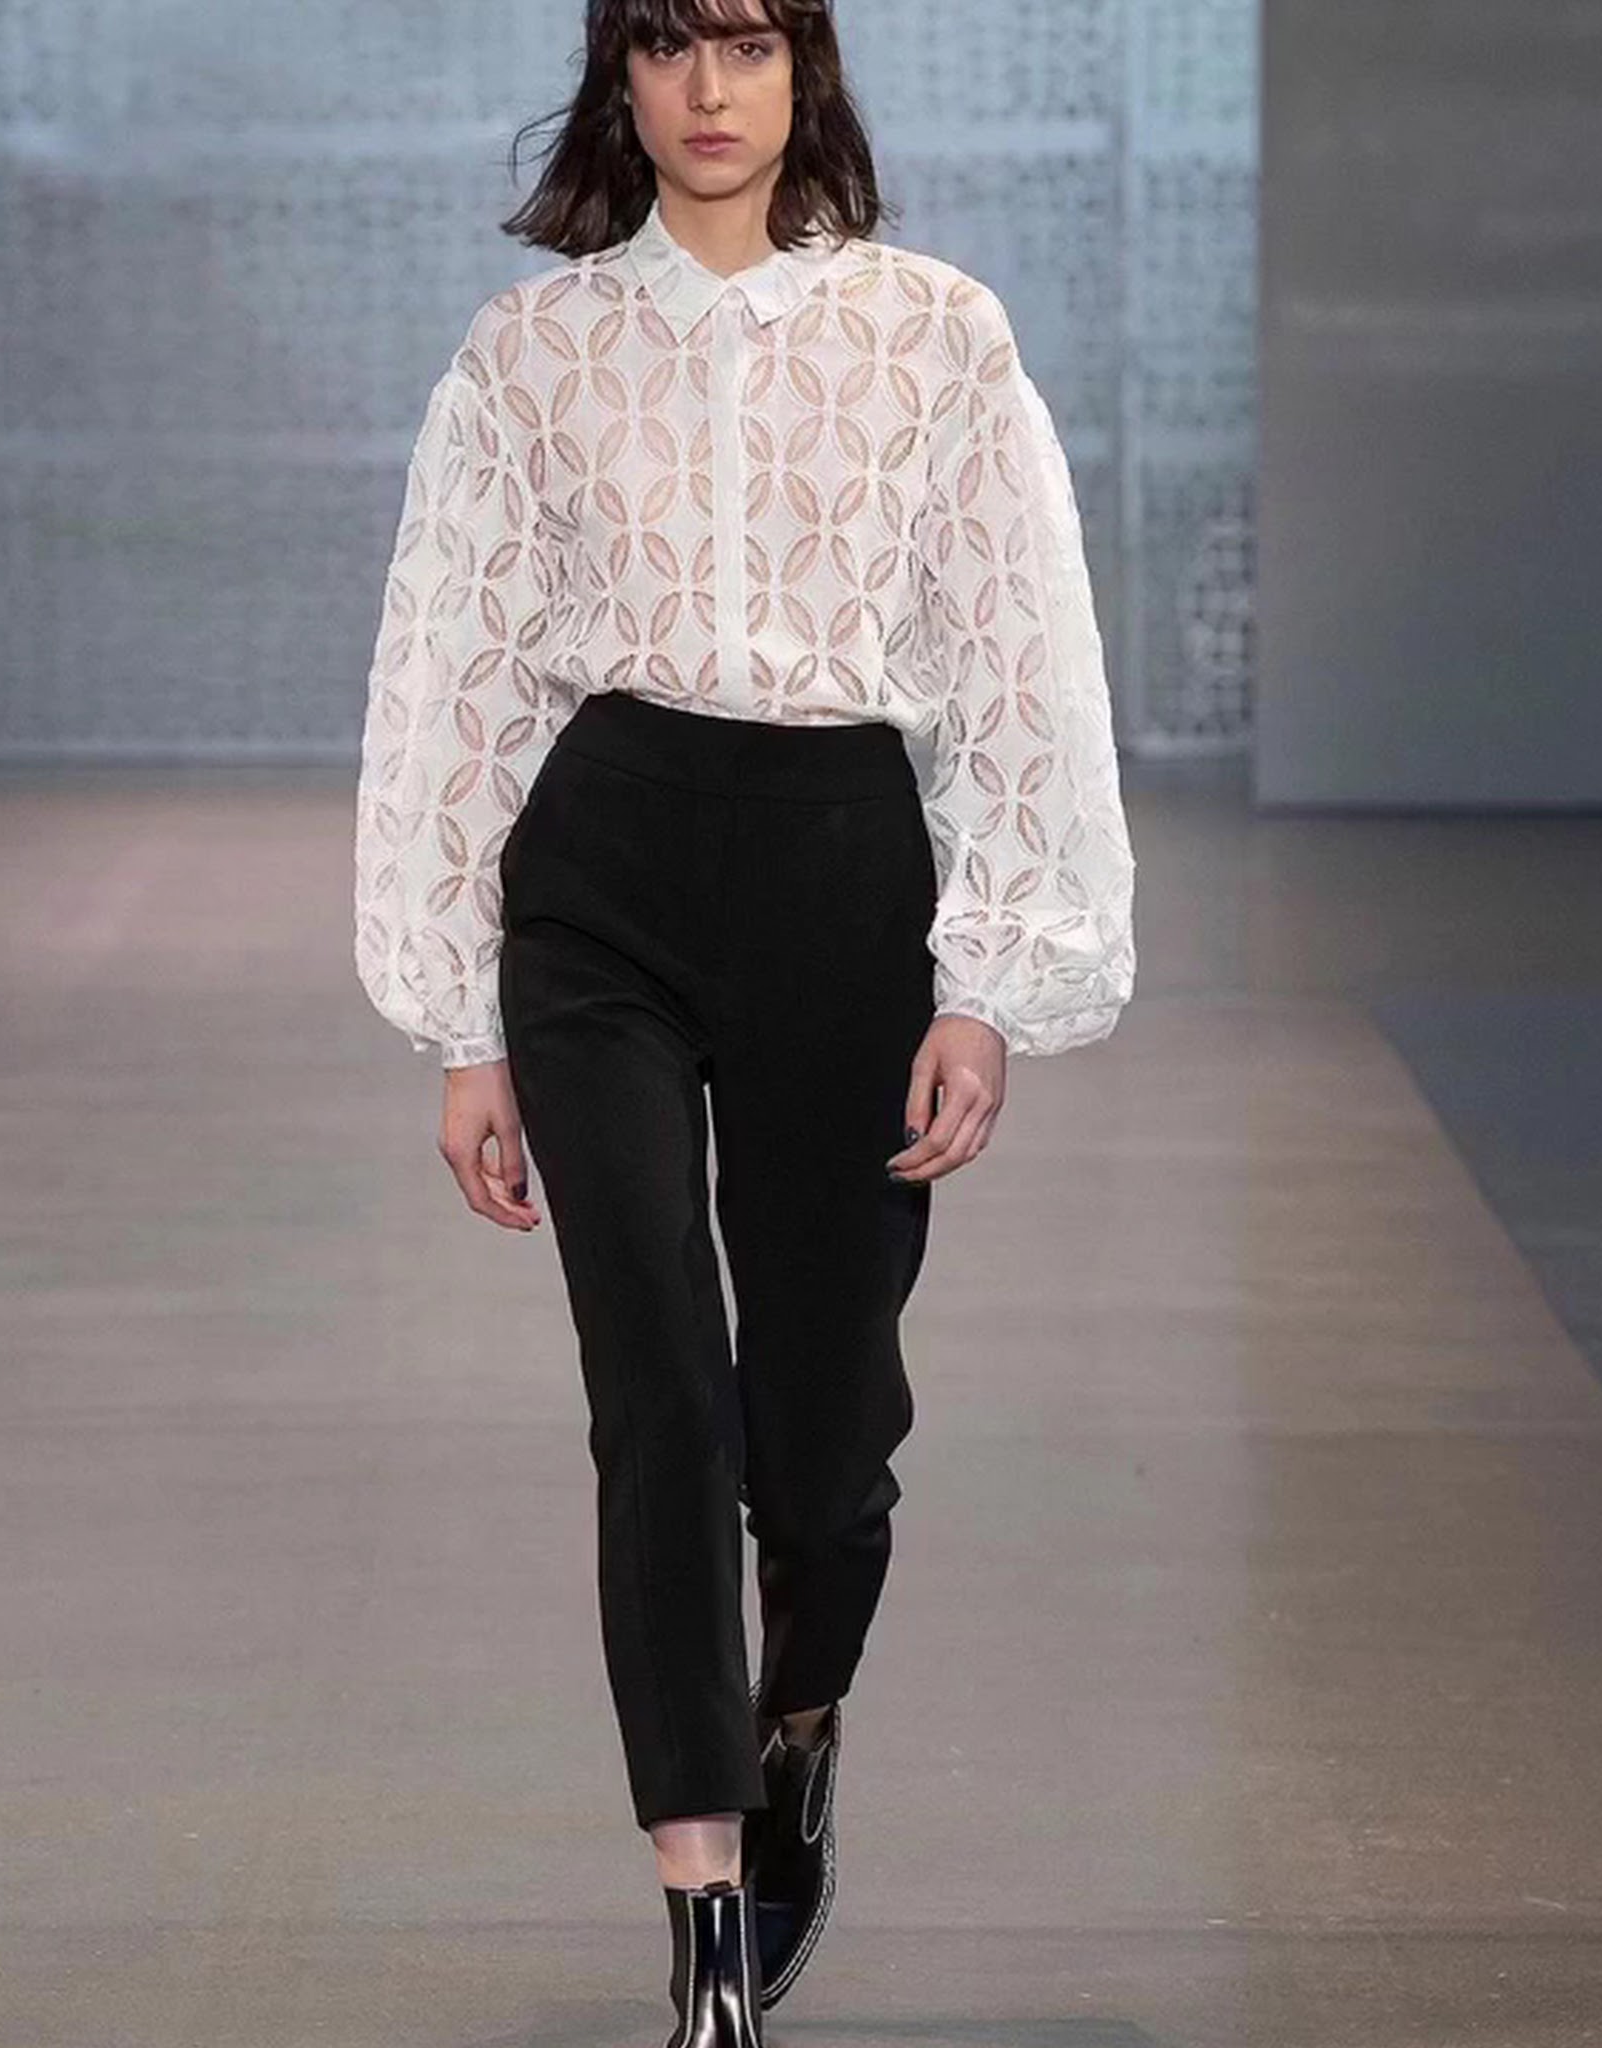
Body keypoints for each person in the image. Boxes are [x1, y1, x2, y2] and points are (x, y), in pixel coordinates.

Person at [352, 2, 1136, 2038]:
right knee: (657, 1391)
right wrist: (459, 1017)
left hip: (840, 874)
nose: (710, 91)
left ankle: (797, 1725)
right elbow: (456, 670)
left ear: (808, 74)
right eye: (669, 46)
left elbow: (1012, 650)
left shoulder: (935, 334)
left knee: (824, 1427)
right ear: (616, 80)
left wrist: (985, 978)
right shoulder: (527, 354)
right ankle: (701, 1906)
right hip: (599, 876)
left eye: (750, 43)